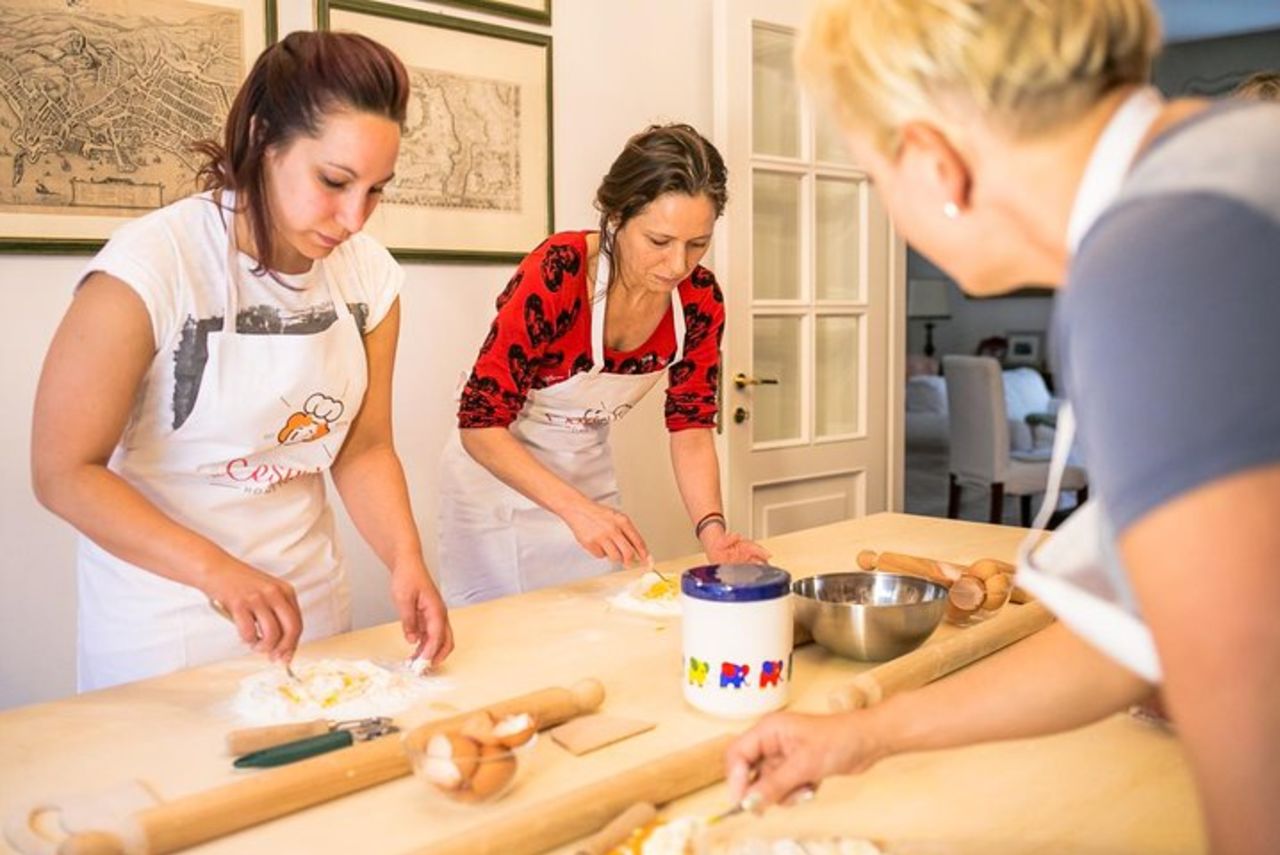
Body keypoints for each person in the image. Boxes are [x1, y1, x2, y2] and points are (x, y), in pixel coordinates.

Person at [725, 2, 1280, 853]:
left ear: (934, 163)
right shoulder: (1229, 167)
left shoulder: (1163, 259)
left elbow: (1248, 711)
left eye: (876, 180)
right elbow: (1132, 622)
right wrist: (863, 734)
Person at [31, 31, 453, 691]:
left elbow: (363, 447)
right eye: (334, 181)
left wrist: (405, 559)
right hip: (164, 624)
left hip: (310, 607)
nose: (354, 218)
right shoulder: (154, 267)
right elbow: (63, 473)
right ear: (263, 139)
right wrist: (220, 572)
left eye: (376, 190)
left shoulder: (369, 277)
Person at [437, 123, 768, 605]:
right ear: (616, 217)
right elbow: (479, 424)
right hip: (495, 488)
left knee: (600, 622)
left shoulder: (698, 300)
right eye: (659, 241)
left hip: (587, 477)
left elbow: (692, 428)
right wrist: (576, 511)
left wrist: (712, 533)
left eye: (697, 243)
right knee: (499, 631)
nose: (678, 265)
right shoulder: (560, 272)